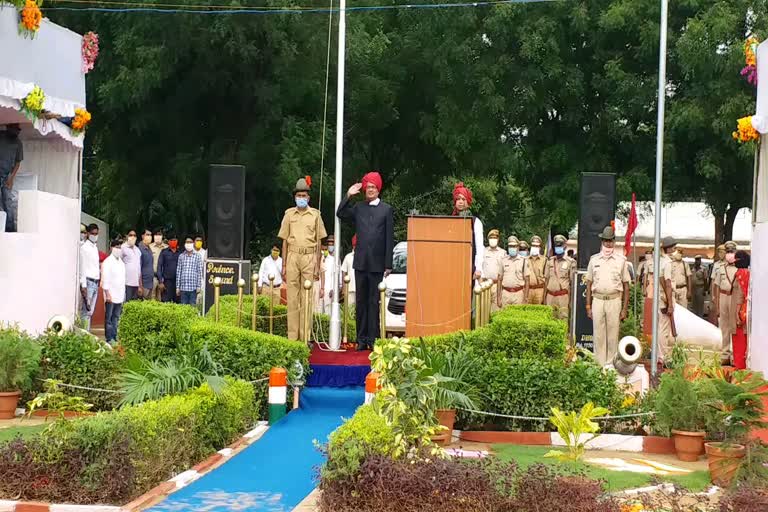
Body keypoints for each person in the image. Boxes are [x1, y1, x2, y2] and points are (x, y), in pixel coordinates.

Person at [337, 171, 394, 350]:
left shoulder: (386, 209)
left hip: (377, 264)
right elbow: (341, 213)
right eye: (367, 187)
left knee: (373, 302)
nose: (370, 189)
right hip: (361, 262)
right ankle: (361, 340)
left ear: (378, 189)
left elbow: (389, 238)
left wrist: (388, 264)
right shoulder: (359, 207)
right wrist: (348, 195)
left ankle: (373, 339)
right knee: (361, 302)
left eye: (372, 187)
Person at [278, 177, 327, 341]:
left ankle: (305, 337)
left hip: (309, 256)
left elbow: (320, 242)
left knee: (307, 299)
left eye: (303, 195)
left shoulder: (315, 215)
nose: (301, 198)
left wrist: (317, 266)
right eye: (298, 195)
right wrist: (284, 264)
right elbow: (284, 241)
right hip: (292, 255)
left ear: (308, 197)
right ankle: (292, 338)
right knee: (292, 298)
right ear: (295, 197)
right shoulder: (288, 214)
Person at [585, 226, 630, 365]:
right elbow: (588, 283)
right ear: (602, 242)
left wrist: (624, 308)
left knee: (612, 335)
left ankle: (610, 366)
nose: (608, 244)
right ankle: (599, 366)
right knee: (598, 335)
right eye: (605, 241)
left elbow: (626, 285)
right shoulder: (594, 260)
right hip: (597, 300)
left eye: (610, 241)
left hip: (614, 300)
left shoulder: (621, 261)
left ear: (614, 242)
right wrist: (588, 305)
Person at [451, 182, 484, 284]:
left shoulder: (475, 222)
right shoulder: (449, 222)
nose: (460, 202)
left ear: (468, 202)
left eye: (463, 199)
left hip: (470, 268)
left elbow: (479, 247)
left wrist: (478, 268)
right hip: (451, 267)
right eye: (458, 199)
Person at [713, 241, 738, 362]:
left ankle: (734, 355)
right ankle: (725, 354)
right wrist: (717, 304)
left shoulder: (739, 267)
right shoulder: (721, 268)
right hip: (723, 296)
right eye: (727, 252)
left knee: (734, 326)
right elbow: (717, 286)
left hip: (734, 297)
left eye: (731, 252)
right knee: (724, 326)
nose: (729, 254)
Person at [543, 234, 576, 321]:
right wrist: (544, 298)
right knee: (549, 320)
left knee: (563, 320)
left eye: (560, 245)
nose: (558, 247)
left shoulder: (570, 262)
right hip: (550, 296)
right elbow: (546, 280)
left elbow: (572, 284)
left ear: (565, 246)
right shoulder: (550, 261)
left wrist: (571, 301)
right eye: (557, 245)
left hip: (563, 297)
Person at [101, 239, 126, 344]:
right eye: (116, 247)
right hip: (110, 295)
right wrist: (107, 294)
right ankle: (109, 338)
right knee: (109, 318)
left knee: (116, 317)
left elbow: (122, 279)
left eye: (120, 247)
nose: (118, 249)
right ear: (111, 248)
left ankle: (115, 337)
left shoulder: (121, 262)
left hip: (119, 294)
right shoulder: (107, 262)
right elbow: (105, 279)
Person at [657, 237, 677, 361]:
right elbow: (667, 283)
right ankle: (663, 356)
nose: (674, 249)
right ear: (668, 248)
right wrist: (669, 303)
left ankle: (660, 355)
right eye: (673, 247)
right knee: (664, 328)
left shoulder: (659, 260)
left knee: (660, 327)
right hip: (665, 297)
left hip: (659, 296)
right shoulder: (667, 262)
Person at [0, 124, 23, 232]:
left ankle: (10, 230)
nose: (17, 132)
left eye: (18, 130)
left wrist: (11, 178)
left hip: (7, 176)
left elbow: (18, 163)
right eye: (15, 130)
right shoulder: (1, 135)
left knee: (8, 202)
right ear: (8, 128)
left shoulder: (18, 143)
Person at [78, 223, 100, 331]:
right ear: (87, 234)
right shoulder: (84, 248)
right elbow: (83, 267)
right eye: (93, 233)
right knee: (86, 311)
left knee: (90, 312)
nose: (95, 236)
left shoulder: (94, 247)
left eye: (96, 233)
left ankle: (87, 331)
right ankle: (84, 334)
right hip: (88, 281)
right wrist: (84, 285)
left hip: (95, 282)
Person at [731, 250, 750, 370]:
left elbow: (740, 296)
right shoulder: (748, 273)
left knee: (739, 341)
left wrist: (737, 315)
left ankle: (740, 367)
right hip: (746, 311)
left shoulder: (740, 275)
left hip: (739, 313)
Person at [498, 236, 529, 307]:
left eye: (514, 246)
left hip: (518, 294)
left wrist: (525, 298)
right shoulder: (503, 260)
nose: (512, 248)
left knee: (517, 316)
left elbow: (527, 280)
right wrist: (499, 298)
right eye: (510, 246)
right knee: (504, 316)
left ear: (518, 248)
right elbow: (499, 279)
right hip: (505, 293)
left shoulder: (523, 261)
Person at [176, 237, 204, 305]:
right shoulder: (181, 256)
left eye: (190, 242)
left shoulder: (198, 256)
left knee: (193, 307)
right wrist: (177, 287)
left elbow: (199, 272)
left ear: (193, 243)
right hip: (183, 288)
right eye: (187, 242)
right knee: (183, 308)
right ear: (185, 244)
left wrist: (198, 287)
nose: (188, 244)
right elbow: (178, 272)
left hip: (193, 288)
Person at [483, 229, 505, 312]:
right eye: (491, 237)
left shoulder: (503, 253)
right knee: (484, 309)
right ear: (488, 239)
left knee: (496, 309)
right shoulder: (483, 251)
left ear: (498, 239)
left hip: (497, 285)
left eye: (495, 237)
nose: (493, 239)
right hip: (485, 284)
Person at [157, 235, 181, 302]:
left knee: (177, 303)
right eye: (171, 240)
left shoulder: (180, 253)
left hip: (178, 283)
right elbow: (159, 266)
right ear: (168, 242)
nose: (173, 242)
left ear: (177, 241)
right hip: (166, 283)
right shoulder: (164, 252)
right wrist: (160, 282)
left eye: (174, 240)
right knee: (165, 302)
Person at [121, 230, 142, 301]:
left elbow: (139, 268)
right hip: (126, 282)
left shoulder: (138, 250)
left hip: (136, 283)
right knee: (126, 304)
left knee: (133, 306)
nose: (132, 237)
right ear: (127, 236)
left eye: (134, 235)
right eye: (130, 235)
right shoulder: (122, 248)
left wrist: (140, 285)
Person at [708, 244, 726, 325]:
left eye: (722, 252)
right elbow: (713, 280)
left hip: (726, 292)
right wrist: (713, 295)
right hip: (717, 292)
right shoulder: (716, 264)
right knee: (717, 313)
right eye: (719, 253)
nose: (720, 254)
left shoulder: (729, 264)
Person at [527, 235, 547, 305]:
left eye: (537, 246)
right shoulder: (525, 260)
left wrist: (544, 294)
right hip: (528, 290)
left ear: (540, 247)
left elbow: (546, 277)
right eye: (533, 245)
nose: (535, 247)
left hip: (540, 290)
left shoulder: (544, 260)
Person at [320, 235, 337, 315]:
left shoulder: (334, 260)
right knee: (318, 313)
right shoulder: (318, 259)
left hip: (329, 290)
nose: (324, 251)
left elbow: (335, 276)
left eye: (325, 249)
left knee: (328, 313)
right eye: (322, 249)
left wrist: (333, 289)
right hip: (319, 290)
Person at [150, 229, 167, 300]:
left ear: (162, 236)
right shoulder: (150, 247)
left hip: (163, 278)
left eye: (159, 235)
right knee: (151, 298)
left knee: (161, 299)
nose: (158, 236)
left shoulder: (166, 247)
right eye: (156, 235)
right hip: (152, 277)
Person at [138, 229, 155, 299]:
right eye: (147, 235)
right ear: (142, 236)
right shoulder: (139, 249)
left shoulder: (149, 248)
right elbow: (138, 269)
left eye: (150, 235)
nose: (149, 237)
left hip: (150, 282)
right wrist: (140, 285)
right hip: (143, 283)